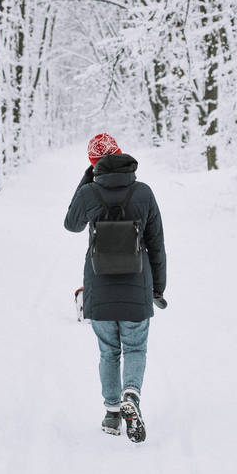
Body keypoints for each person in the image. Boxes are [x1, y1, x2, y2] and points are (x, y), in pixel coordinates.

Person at [64, 133, 167, 443]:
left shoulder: (89, 193)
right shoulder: (143, 193)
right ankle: (131, 394)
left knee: (109, 353)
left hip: (100, 286)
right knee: (135, 347)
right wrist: (158, 289)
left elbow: (72, 224)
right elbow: (156, 244)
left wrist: (87, 182)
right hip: (136, 286)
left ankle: (111, 414)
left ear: (93, 164)